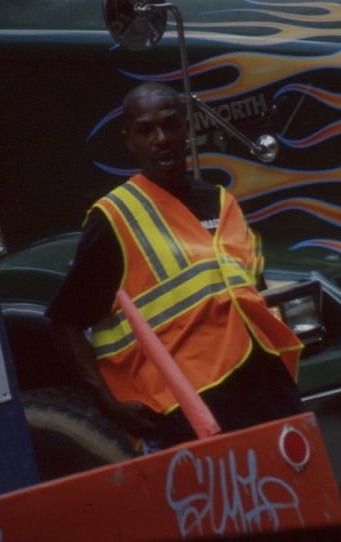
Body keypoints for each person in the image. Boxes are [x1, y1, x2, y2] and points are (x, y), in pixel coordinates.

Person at [47, 82, 303, 450]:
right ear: (128, 141)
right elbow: (64, 322)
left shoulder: (221, 202)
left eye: (170, 125)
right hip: (190, 416)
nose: (161, 138)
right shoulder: (116, 218)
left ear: (187, 128)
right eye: (146, 130)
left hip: (267, 395)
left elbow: (251, 299)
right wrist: (108, 404)